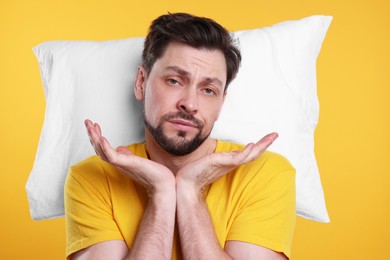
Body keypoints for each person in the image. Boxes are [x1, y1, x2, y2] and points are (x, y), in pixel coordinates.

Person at [65, 12, 296, 260]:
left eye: (208, 90)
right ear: (141, 83)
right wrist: (162, 191)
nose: (190, 104)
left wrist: (190, 190)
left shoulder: (264, 174)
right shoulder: (92, 177)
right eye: (174, 81)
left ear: (221, 104)